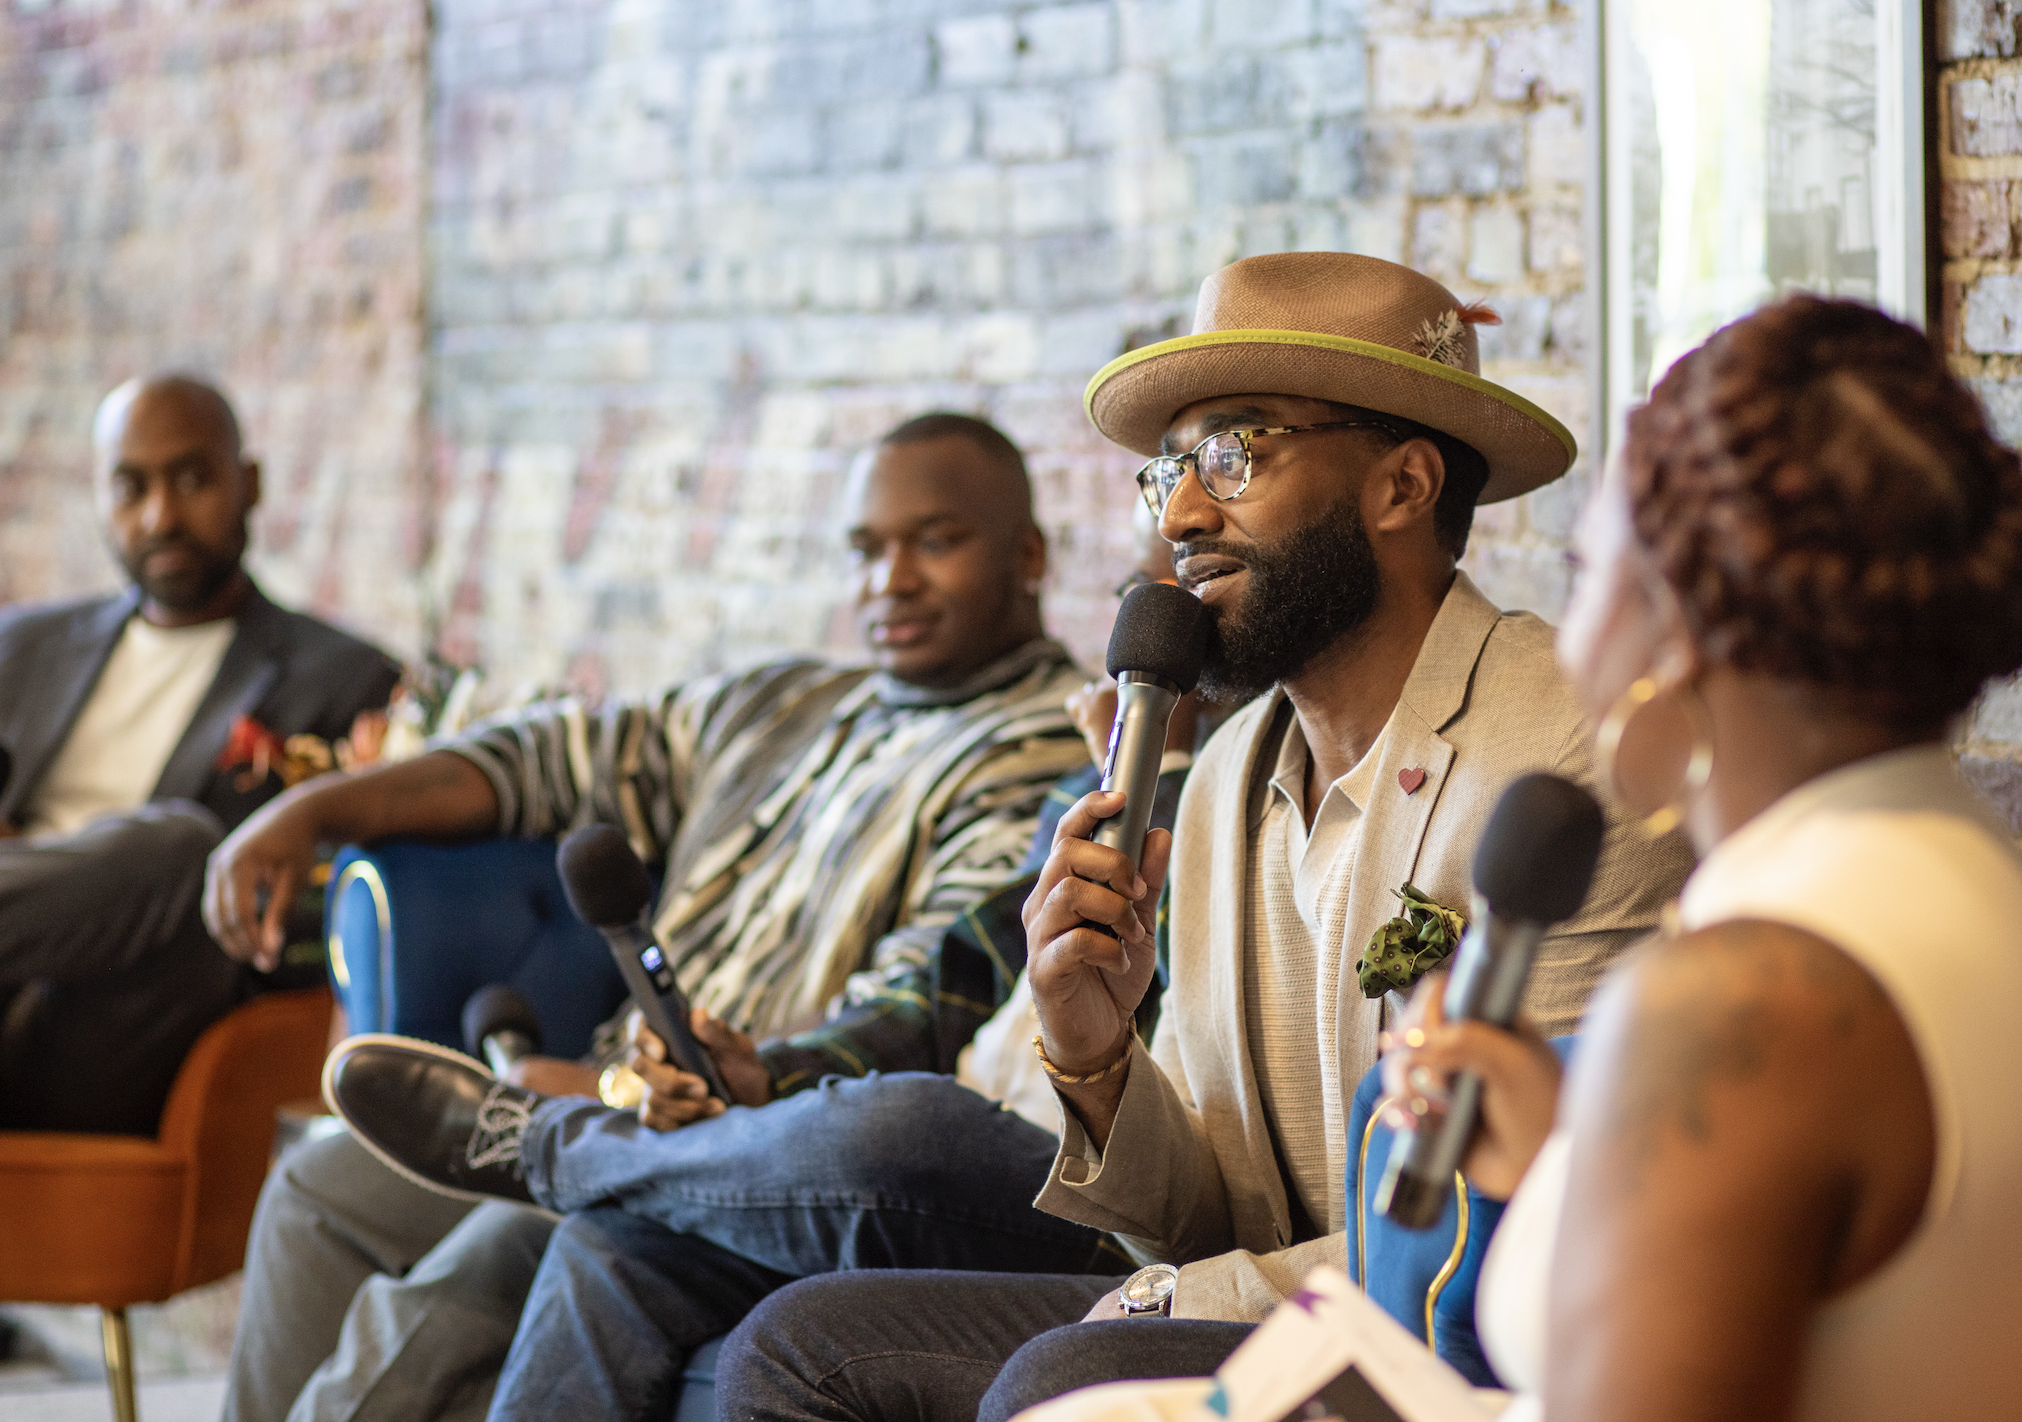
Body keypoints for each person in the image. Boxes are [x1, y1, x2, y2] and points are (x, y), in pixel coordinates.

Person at [712, 252, 1696, 1422]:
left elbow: (1505, 1222)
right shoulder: (1225, 771)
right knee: (792, 1349)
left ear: (1404, 485)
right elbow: (1205, 1202)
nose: (1179, 514)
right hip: (1266, 1305)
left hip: (1452, 1347)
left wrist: (1179, 1299)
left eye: (1234, 456)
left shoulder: (1566, 761)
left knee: (1063, 1371)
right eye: (1172, 470)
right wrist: (1095, 1053)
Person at [1001, 296, 2022, 1422]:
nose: (1556, 634)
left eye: (1586, 576)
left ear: (1667, 636)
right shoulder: (1966, 882)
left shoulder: (1739, 1000)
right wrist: (1548, 1158)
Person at [214, 412, 1095, 1422]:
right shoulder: (786, 703)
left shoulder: (1044, 759)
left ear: (1026, 554)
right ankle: (558, 1138)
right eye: (866, 549)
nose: (888, 581)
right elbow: (556, 755)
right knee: (319, 1194)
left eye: (933, 543)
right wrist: (309, 812)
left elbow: (915, 1016)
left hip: (749, 1146)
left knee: (444, 1299)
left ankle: (567, 1147)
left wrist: (620, 1088)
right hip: (593, 1095)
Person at [0, 374, 399, 1134]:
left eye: (191, 479)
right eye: (130, 487)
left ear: (247, 484)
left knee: (182, 847)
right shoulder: (22, 649)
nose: (161, 516)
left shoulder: (345, 679)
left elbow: (333, 914)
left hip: (109, 1031)